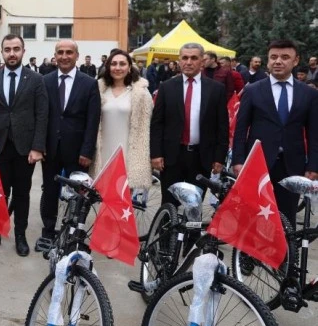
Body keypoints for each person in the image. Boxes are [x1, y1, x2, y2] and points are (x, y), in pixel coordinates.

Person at [232, 40, 318, 228]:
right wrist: (238, 160)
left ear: (296, 61)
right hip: (257, 163)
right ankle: (248, 257)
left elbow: (314, 133)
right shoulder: (253, 90)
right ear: (268, 60)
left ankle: (283, 257)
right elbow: (240, 130)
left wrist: (313, 165)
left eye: (285, 57)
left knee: (286, 220)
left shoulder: (309, 94)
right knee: (253, 217)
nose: (278, 61)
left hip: (292, 165)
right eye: (274, 57)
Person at [0, 34, 48, 256]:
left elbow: (42, 115)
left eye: (16, 49)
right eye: (8, 49)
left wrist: (38, 147)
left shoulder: (36, 79)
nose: (12, 53)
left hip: (25, 148)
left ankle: (20, 235)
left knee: (21, 193)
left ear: (23, 51)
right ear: (2, 52)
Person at [150, 43, 229, 206]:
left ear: (202, 61)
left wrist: (219, 157)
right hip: (172, 157)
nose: (188, 62)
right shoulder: (167, 87)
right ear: (179, 61)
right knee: (169, 204)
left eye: (194, 58)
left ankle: (192, 233)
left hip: (201, 157)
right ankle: (168, 231)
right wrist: (156, 153)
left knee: (194, 205)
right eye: (185, 58)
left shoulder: (216, 89)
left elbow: (222, 126)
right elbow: (157, 123)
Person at [41, 40, 101, 241]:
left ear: (77, 55)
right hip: (50, 149)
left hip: (78, 151)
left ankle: (73, 232)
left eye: (69, 52)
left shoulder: (89, 83)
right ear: (54, 55)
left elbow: (93, 120)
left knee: (78, 194)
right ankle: (48, 231)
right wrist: (40, 146)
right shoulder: (45, 81)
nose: (64, 56)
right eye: (60, 52)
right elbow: (40, 116)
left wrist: (87, 151)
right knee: (49, 191)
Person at [91, 50, 152, 190]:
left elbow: (146, 126)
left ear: (130, 67)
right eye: (113, 64)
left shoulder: (140, 93)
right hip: (102, 152)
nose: (117, 68)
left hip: (127, 153)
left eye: (122, 64)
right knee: (101, 199)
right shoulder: (98, 89)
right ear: (108, 67)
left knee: (122, 201)